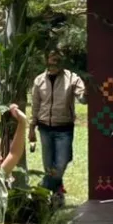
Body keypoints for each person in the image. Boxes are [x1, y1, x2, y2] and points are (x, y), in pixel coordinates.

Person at [28, 50, 86, 205]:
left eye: (57, 59)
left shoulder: (73, 78)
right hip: (44, 128)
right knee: (48, 166)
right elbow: (35, 106)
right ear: (46, 60)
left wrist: (86, 93)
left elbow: (83, 98)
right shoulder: (39, 80)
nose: (54, 62)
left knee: (61, 163)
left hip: (64, 128)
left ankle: (41, 190)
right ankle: (57, 195)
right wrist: (31, 127)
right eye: (51, 59)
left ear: (62, 61)